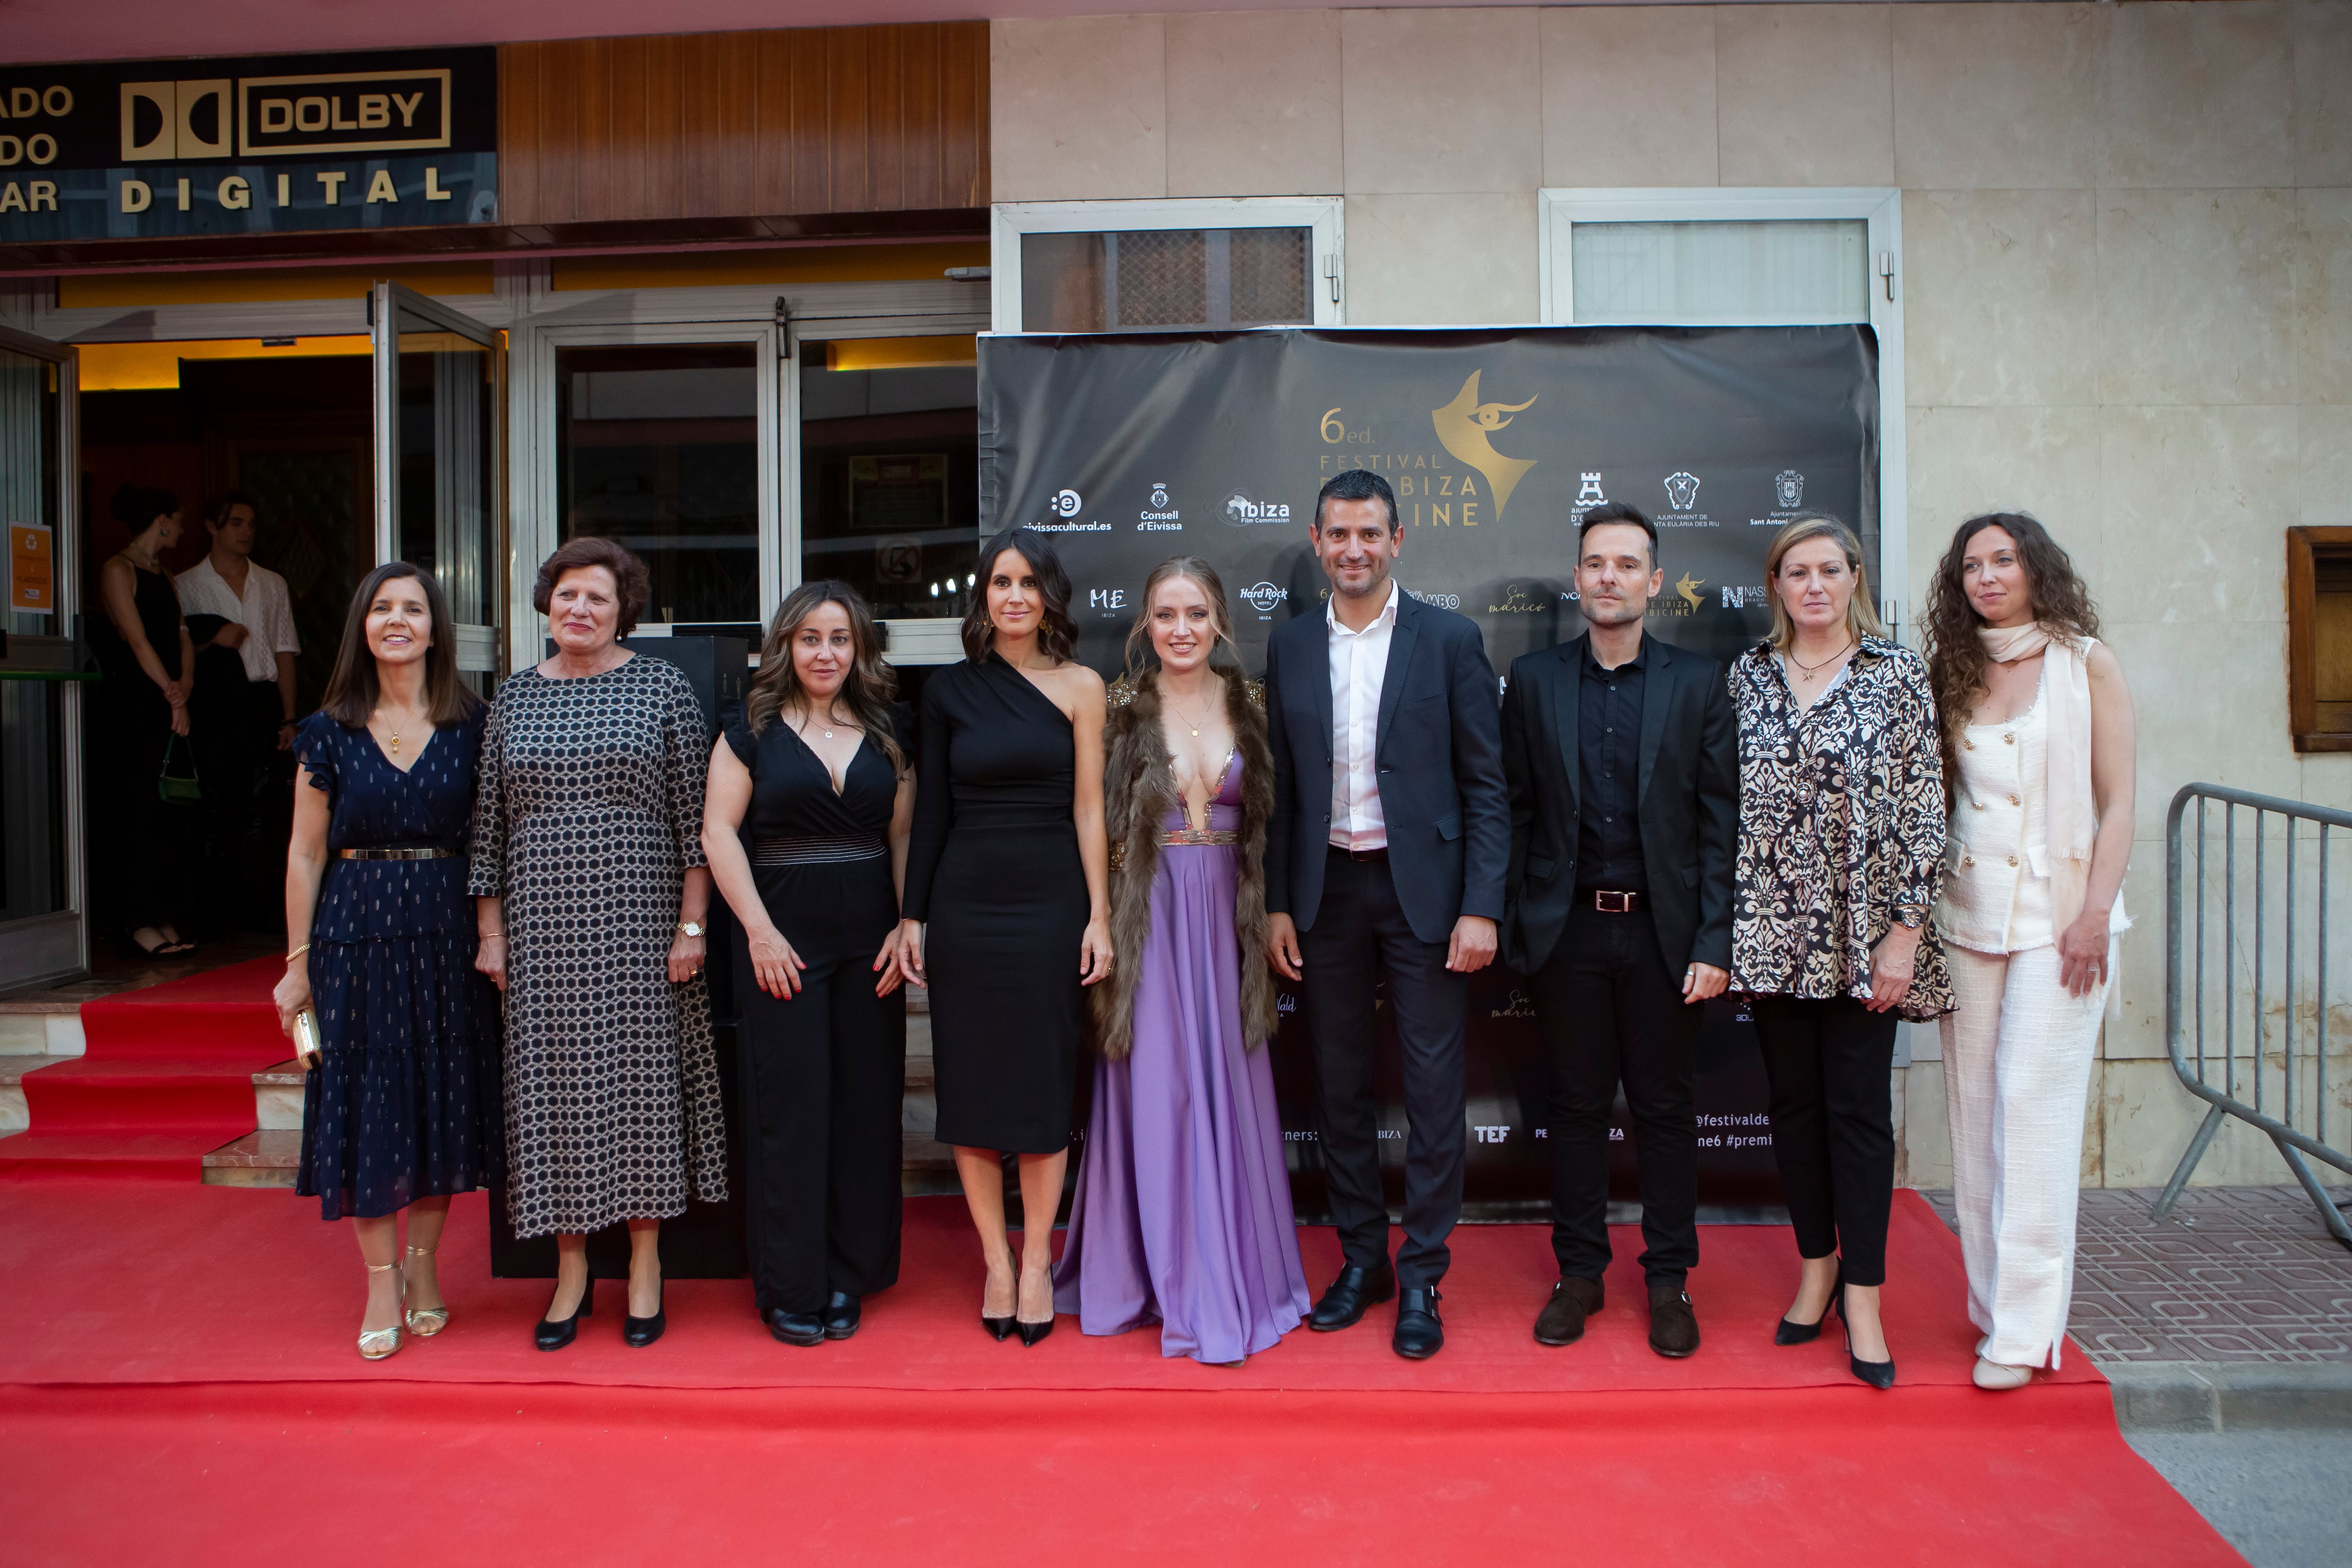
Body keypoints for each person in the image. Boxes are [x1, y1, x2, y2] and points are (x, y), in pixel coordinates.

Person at [1264, 468, 1510, 1362]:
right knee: (1337, 1084)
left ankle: (1424, 1276)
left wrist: (1482, 905)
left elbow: (1488, 784)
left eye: (1371, 533)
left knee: (1437, 1091)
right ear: (1318, 541)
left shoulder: (1449, 639)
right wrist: (1277, 901)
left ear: (1397, 540)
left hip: (1427, 900)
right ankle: (1363, 1259)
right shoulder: (1290, 646)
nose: (1355, 549)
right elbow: (1285, 789)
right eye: (1339, 534)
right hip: (1325, 890)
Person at [470, 538, 728, 1353]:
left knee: (640, 1083)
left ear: (625, 612)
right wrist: (491, 933)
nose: (580, 610)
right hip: (541, 931)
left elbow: (699, 825)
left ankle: (645, 1261)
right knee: (549, 1093)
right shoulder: (511, 698)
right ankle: (571, 1265)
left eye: (598, 599)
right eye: (568, 595)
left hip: (640, 926)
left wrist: (693, 926)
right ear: (547, 603)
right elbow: (486, 827)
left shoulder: (663, 688)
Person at [1053, 557, 1311, 1365]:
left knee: (1227, 1086)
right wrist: (1099, 919)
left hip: (1226, 923)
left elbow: (1278, 824)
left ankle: (1230, 1270)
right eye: (1165, 614)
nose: (1181, 629)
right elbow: (1091, 821)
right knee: (1160, 1091)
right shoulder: (1122, 710)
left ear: (1221, 621)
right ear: (1144, 624)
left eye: (1196, 613)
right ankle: (1156, 1273)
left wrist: (1274, 912)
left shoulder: (1253, 708)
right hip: (1155, 918)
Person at [1500, 502, 1736, 1359]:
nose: (1610, 577)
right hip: (1567, 936)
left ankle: (1670, 1280)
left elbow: (1720, 824)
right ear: (1577, 578)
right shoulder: (1532, 680)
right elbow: (1517, 814)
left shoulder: (1697, 683)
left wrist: (1715, 941)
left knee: (1668, 1111)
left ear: (1654, 581)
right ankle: (1581, 1274)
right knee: (1573, 1108)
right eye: (1596, 563)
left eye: (1627, 564)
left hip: (1665, 938)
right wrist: (1519, 925)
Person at [1730, 512, 1952, 1391]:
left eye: (1829, 569)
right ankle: (1815, 1266)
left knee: (1857, 1114)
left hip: (1869, 938)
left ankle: (1864, 1292)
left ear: (1855, 577)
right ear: (1776, 586)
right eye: (1796, 571)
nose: (1814, 585)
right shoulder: (1746, 676)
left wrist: (1905, 933)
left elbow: (1925, 810)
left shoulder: (1896, 674)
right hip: (1774, 933)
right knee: (1792, 1107)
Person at [1923, 513, 2134, 1393]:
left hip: (2062, 924)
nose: (1987, 575)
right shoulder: (1956, 668)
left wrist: (2093, 913)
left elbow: (2119, 800)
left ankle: (2026, 1327)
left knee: (2032, 1107)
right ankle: (1992, 1301)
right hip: (1970, 918)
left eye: (2003, 558)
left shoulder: (2086, 662)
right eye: (1972, 564)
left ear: (2036, 567)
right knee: (1974, 1114)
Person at [272, 563, 501, 1360]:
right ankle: (379, 1279)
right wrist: (298, 961)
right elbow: (304, 853)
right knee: (369, 1105)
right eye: (381, 608)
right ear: (361, 627)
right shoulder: (328, 729)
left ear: (436, 629)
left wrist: (490, 933)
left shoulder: (473, 721)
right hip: (355, 933)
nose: (397, 620)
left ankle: (425, 1268)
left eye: (413, 608)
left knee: (438, 1100)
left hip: (443, 931)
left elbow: (489, 843)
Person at [898, 525, 1112, 1347]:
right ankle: (994, 1257)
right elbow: (935, 814)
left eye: (1028, 582)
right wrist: (914, 915)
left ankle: (1036, 1260)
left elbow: (1089, 808)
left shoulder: (1085, 686)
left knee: (1042, 1086)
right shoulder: (950, 690)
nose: (1014, 595)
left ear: (1050, 596)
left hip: (1051, 901)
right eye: (999, 582)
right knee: (976, 1088)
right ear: (982, 596)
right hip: (966, 905)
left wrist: (1098, 913)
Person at [703, 581, 914, 1347]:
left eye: (840, 639)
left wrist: (904, 924)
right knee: (791, 1112)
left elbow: (899, 838)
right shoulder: (748, 731)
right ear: (786, 646)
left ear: (859, 649)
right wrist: (757, 930)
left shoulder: (890, 732)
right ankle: (791, 1283)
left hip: (869, 942)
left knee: (863, 1108)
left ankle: (847, 1274)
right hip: (780, 944)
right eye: (810, 638)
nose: (826, 652)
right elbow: (720, 834)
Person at [176, 492, 301, 934]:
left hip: (263, 699)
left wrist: (289, 718)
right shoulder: (185, 584)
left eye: (251, 524)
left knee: (266, 807)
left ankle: (264, 914)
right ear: (212, 526)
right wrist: (214, 640)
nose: (246, 531)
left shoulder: (273, 583)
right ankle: (218, 914)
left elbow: (286, 651)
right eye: (236, 523)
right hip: (214, 703)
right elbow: (178, 648)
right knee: (217, 805)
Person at [92, 483, 198, 958]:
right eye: (177, 517)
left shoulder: (166, 573)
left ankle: (164, 912)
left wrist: (186, 685)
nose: (181, 527)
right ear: (161, 519)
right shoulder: (118, 569)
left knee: (167, 809)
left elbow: (182, 634)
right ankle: (137, 920)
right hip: (138, 701)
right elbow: (136, 641)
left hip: (171, 697)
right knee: (136, 807)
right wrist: (171, 694)